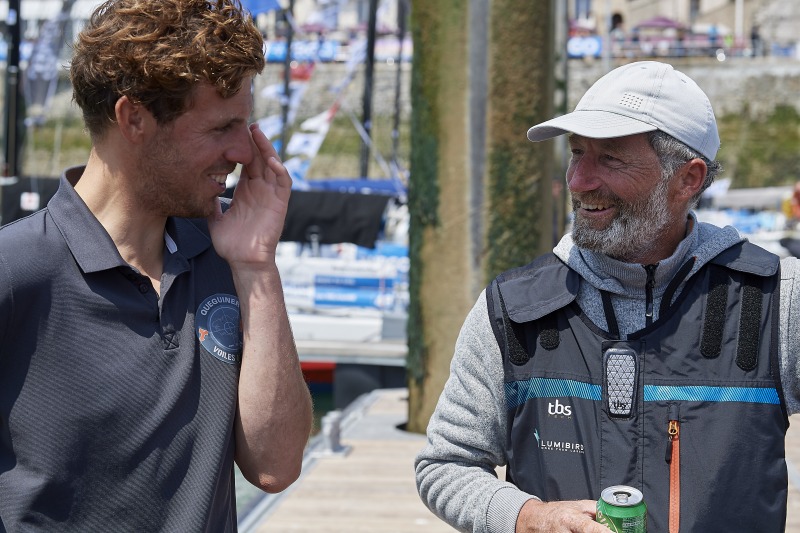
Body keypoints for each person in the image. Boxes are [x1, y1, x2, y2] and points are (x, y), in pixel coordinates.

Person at [415, 60, 800, 532]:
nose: (579, 181)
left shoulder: (777, 297)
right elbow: (445, 465)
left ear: (688, 179)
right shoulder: (512, 310)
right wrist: (528, 517)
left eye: (610, 159)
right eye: (577, 153)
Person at [0, 1, 313, 531]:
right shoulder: (15, 273)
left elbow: (275, 467)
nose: (244, 150)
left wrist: (257, 267)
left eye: (248, 124)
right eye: (222, 128)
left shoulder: (227, 261)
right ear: (134, 119)